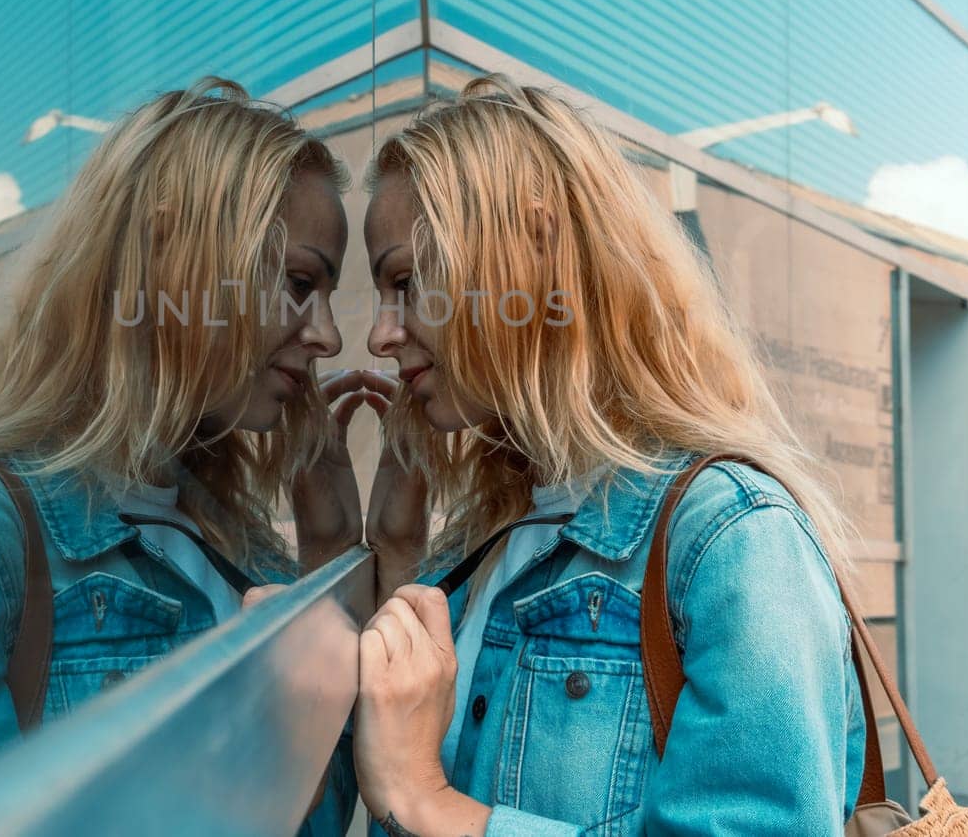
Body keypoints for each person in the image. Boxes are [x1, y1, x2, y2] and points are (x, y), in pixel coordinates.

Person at [0, 78, 381, 832]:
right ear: (169, 262)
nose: (326, 335)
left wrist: (328, 560)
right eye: (298, 283)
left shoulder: (245, 543)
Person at [352, 75, 864, 835]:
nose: (378, 335)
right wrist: (392, 555)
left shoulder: (734, 537)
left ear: (531, 252)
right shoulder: (489, 535)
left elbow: (416, 787)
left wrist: (429, 801)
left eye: (407, 282)